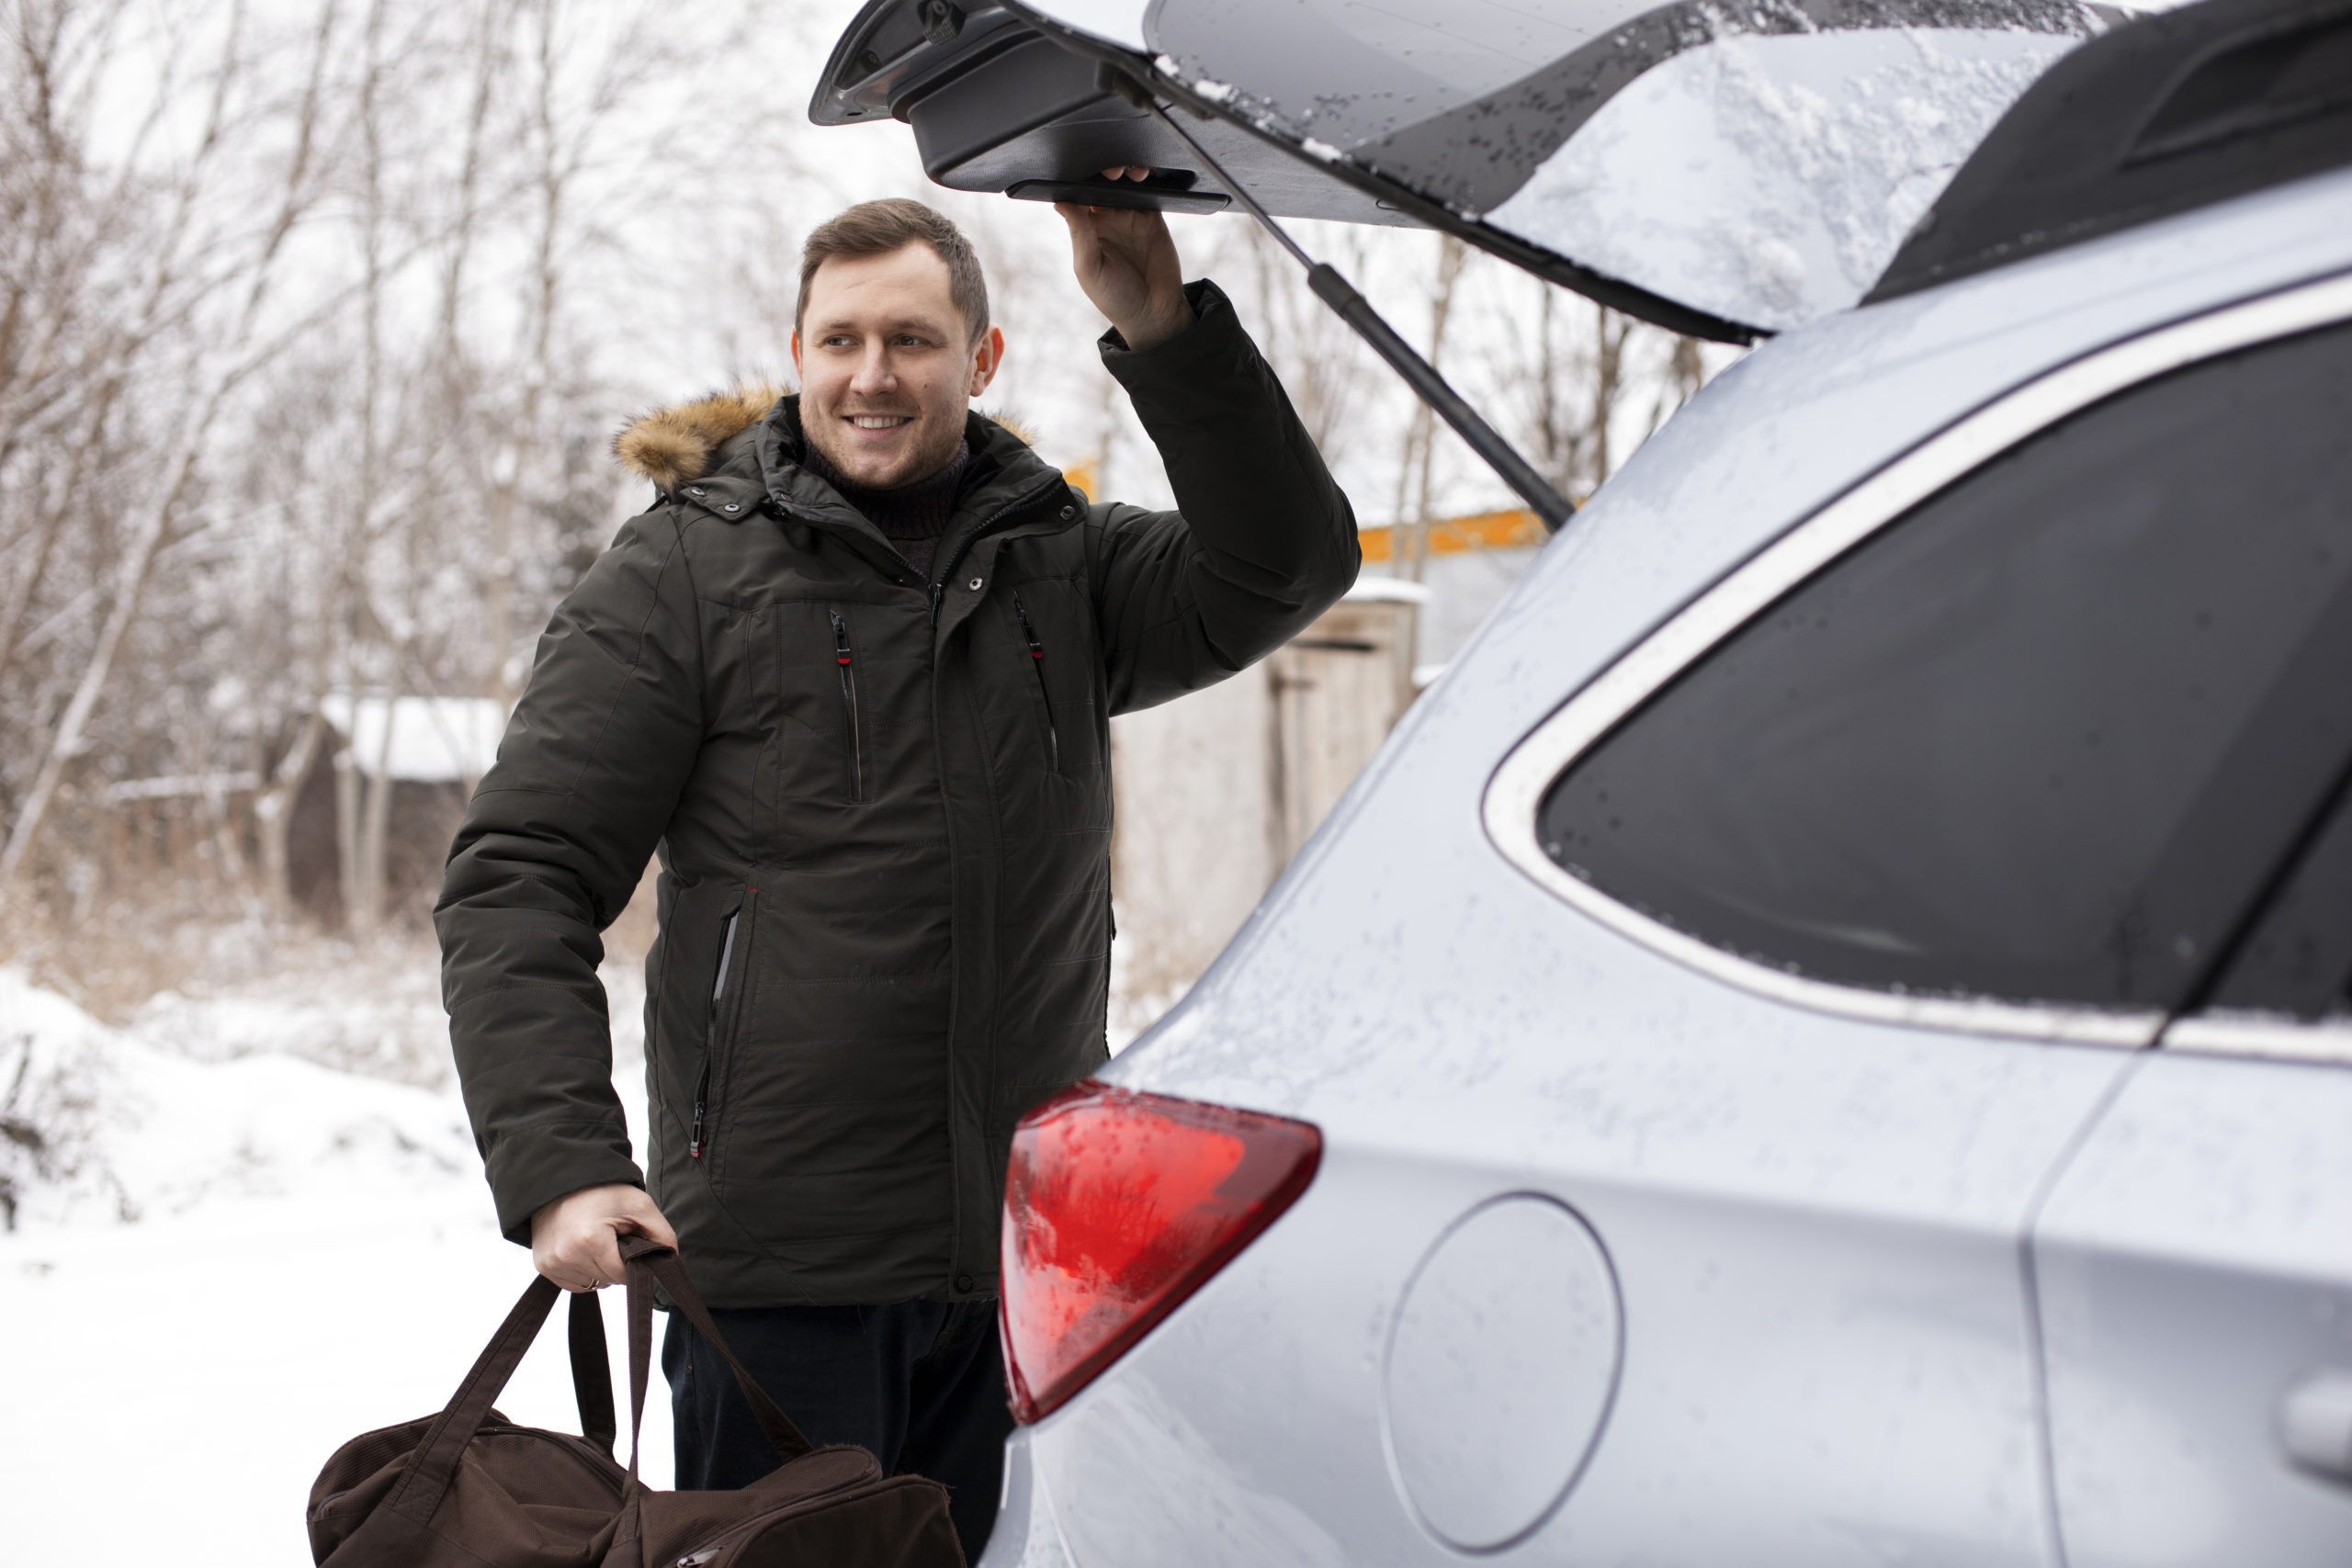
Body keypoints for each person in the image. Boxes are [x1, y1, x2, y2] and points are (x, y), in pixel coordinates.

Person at [435, 188, 1358, 1559]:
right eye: (844, 339)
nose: (874, 375)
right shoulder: (685, 574)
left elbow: (1285, 564)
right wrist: (563, 1165)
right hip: (775, 1280)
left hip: (1020, 1260)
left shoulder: (1062, 563)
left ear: (981, 361)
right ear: (798, 350)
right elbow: (519, 874)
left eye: (914, 341)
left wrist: (1163, 328)